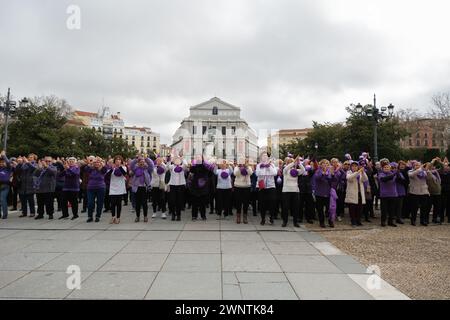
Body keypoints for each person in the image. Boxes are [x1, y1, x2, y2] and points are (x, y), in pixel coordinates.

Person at [281, 156, 305, 227]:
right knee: (285, 207)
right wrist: (293, 162)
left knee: (296, 207)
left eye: (292, 162)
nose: (292, 164)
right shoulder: (285, 170)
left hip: (295, 191)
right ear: (287, 163)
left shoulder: (296, 171)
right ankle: (285, 221)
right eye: (289, 162)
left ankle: (295, 222)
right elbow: (286, 168)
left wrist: (299, 163)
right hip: (286, 191)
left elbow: (303, 170)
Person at [130, 155, 154, 222]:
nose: (142, 163)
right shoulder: (135, 168)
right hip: (137, 187)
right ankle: (137, 217)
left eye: (143, 162)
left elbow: (152, 165)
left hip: (144, 187)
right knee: (137, 203)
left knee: (144, 203)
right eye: (140, 162)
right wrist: (136, 158)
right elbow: (131, 165)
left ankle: (145, 216)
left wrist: (147, 158)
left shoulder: (147, 169)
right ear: (138, 162)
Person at [256, 152, 277, 225]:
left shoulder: (272, 165)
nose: (264, 157)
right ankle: (263, 218)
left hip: (271, 186)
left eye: (266, 156)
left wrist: (268, 166)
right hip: (262, 187)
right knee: (262, 203)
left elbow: (274, 173)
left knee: (272, 202)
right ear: (261, 158)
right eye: (263, 156)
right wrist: (264, 168)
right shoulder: (259, 165)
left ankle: (271, 217)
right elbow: (258, 174)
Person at [189, 156, 213, 221]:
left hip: (203, 186)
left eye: (200, 158)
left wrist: (204, 164)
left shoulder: (205, 166)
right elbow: (191, 171)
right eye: (197, 158)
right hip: (195, 186)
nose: (198, 159)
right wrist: (194, 165)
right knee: (195, 203)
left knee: (202, 203)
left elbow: (210, 173)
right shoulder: (194, 166)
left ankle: (203, 215)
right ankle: (194, 216)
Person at [345, 161, 368, 227]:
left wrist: (363, 172)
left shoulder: (360, 173)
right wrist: (357, 172)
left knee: (359, 208)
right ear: (351, 167)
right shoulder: (349, 172)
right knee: (352, 208)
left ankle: (358, 221)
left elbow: (365, 179)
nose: (354, 167)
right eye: (353, 166)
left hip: (360, 192)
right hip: (352, 193)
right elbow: (349, 178)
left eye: (356, 166)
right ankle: (353, 221)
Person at [85, 157, 108, 223]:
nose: (96, 163)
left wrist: (101, 162)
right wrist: (91, 162)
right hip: (90, 188)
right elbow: (86, 168)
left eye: (98, 162)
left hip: (100, 188)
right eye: (95, 162)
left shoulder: (103, 169)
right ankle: (90, 216)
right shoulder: (91, 169)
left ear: (100, 163)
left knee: (99, 203)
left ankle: (98, 216)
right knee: (90, 203)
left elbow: (105, 169)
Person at [408, 161, 431, 226]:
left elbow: (429, 178)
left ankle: (422, 221)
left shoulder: (423, 172)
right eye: (416, 165)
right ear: (413, 166)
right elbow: (412, 175)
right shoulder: (410, 171)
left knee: (424, 208)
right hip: (414, 192)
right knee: (414, 208)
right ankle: (413, 220)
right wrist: (420, 168)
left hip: (424, 192)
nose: (417, 166)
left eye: (418, 165)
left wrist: (427, 170)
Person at [107, 155, 128, 224]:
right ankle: (113, 217)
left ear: (121, 161)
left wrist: (119, 167)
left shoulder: (124, 167)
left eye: (119, 160)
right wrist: (112, 169)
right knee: (112, 203)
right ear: (114, 161)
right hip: (113, 188)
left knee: (119, 204)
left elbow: (125, 174)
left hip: (120, 188)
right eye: (116, 160)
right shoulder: (111, 168)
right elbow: (107, 176)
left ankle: (118, 217)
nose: (117, 161)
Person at [377, 161, 398, 227]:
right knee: (384, 209)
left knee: (392, 209)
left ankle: (390, 221)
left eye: (387, 167)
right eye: (385, 167)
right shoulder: (381, 174)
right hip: (384, 195)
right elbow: (384, 179)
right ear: (382, 168)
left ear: (390, 168)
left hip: (393, 194)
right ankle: (383, 221)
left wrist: (397, 172)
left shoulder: (393, 173)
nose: (386, 168)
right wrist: (394, 174)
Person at [314, 159, 333, 228]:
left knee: (329, 209)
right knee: (320, 209)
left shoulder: (330, 171)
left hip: (328, 193)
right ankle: (321, 222)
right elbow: (317, 178)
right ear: (321, 165)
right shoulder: (318, 171)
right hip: (319, 193)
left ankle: (330, 221)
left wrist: (331, 175)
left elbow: (332, 180)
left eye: (327, 164)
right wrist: (323, 173)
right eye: (323, 163)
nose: (325, 165)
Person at [167, 154, 187, 221]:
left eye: (178, 160)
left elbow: (186, 165)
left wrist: (182, 158)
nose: (177, 161)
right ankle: (173, 214)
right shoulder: (172, 167)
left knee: (179, 201)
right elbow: (167, 166)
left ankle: (178, 215)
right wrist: (170, 159)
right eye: (176, 160)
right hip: (172, 185)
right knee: (172, 201)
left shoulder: (182, 167)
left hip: (180, 185)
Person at [233, 158, 253, 224]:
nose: (242, 163)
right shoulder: (236, 167)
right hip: (238, 186)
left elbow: (250, 173)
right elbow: (235, 174)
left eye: (244, 161)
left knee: (246, 202)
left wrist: (246, 167)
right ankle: (238, 216)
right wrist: (239, 168)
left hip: (246, 186)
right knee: (238, 202)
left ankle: (245, 216)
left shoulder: (249, 167)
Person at [298, 159, 315, 224]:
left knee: (309, 205)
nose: (307, 163)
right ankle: (300, 217)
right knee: (300, 205)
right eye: (306, 162)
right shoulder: (300, 170)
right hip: (301, 189)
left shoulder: (310, 170)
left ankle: (309, 218)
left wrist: (310, 166)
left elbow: (313, 171)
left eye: (308, 162)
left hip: (308, 190)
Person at [0, 151, 12, 219]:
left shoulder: (8, 168)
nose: (1, 163)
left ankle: (5, 214)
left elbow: (8, 162)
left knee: (2, 199)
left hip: (5, 186)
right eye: (0, 162)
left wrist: (4, 155)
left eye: (3, 162)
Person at [439, 159, 450, 223]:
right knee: (442, 205)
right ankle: (441, 218)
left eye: (447, 166)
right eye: (445, 166)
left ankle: (449, 218)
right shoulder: (441, 173)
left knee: (449, 205)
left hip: (449, 190)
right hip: (442, 190)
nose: (446, 167)